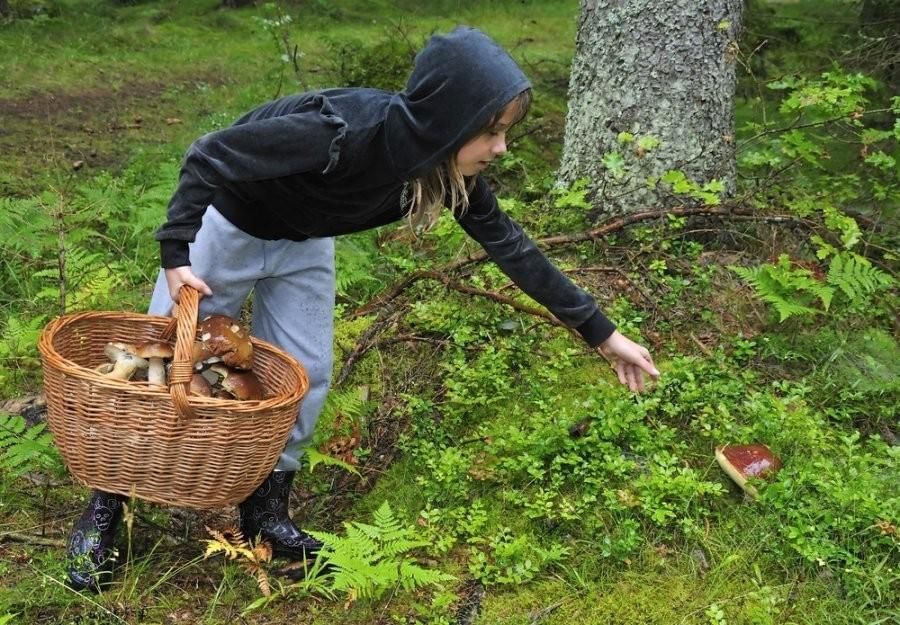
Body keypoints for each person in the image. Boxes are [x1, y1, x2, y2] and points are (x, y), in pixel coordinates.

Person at [65, 26, 659, 592]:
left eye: (504, 132)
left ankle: (266, 513)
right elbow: (211, 153)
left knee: (307, 373)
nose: (500, 148)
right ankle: (106, 510)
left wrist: (602, 334)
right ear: (448, 122)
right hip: (232, 222)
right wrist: (176, 251)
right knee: (162, 364)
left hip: (305, 241)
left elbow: (511, 246)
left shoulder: (437, 166)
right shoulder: (339, 131)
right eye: (491, 132)